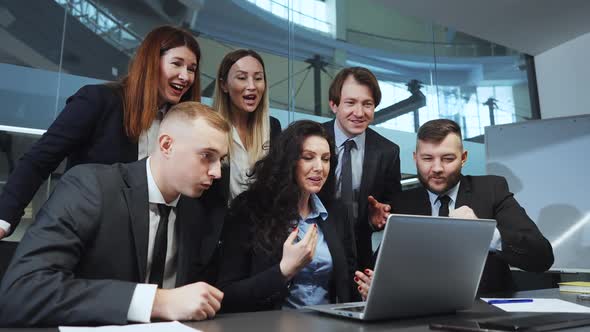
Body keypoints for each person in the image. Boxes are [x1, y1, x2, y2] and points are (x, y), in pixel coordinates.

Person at [0, 102, 229, 326]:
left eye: (221, 160)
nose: (217, 172)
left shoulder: (195, 212)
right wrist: (156, 301)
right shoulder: (92, 187)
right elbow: (21, 292)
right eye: (207, 155)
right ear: (167, 145)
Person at [0, 25, 202, 239]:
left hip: (142, 241)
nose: (185, 76)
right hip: (81, 231)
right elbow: (39, 161)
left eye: (191, 68)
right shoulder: (98, 100)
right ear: (152, 62)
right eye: (177, 64)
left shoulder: (182, 124)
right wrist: (4, 218)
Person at [355, 119, 554, 298]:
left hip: (486, 317)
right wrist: (376, 288)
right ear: (415, 158)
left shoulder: (491, 190)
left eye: (448, 159)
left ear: (464, 157)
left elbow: (542, 257)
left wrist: (483, 233)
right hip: (420, 317)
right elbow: (379, 270)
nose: (437, 168)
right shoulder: (403, 203)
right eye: (427, 159)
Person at [218, 120, 358, 312]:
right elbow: (227, 294)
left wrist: (365, 289)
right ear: (288, 160)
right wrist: (283, 270)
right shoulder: (250, 208)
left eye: (326, 159)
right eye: (308, 157)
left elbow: (347, 281)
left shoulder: (336, 212)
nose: (320, 167)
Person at [321, 67, 401, 271]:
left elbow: (392, 204)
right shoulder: (310, 139)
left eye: (367, 104)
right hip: (313, 249)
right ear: (333, 104)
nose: (359, 113)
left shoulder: (387, 151)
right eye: (350, 103)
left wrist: (378, 218)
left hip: (360, 257)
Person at [211, 49, 281, 202]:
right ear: (224, 85)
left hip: (262, 223)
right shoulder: (209, 127)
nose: (252, 86)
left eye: (258, 78)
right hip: (222, 224)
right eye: (242, 78)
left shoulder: (273, 127)